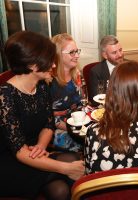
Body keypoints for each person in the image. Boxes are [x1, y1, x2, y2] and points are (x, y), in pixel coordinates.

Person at [0, 31, 84, 199]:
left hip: (35, 152)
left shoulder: (42, 86)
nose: (54, 65)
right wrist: (66, 168)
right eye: (49, 60)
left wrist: (41, 146)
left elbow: (48, 123)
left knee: (73, 161)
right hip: (12, 160)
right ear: (32, 65)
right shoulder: (4, 96)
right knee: (63, 185)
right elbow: (19, 151)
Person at [50, 33, 82, 152]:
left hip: (78, 122)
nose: (77, 55)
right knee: (91, 142)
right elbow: (47, 118)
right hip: (59, 129)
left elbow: (80, 104)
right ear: (58, 55)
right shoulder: (49, 82)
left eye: (77, 51)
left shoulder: (76, 74)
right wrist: (75, 129)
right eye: (72, 52)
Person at [88, 35, 124, 105]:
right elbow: (96, 101)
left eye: (120, 50)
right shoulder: (96, 72)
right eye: (114, 52)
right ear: (105, 55)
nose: (120, 55)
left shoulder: (130, 66)